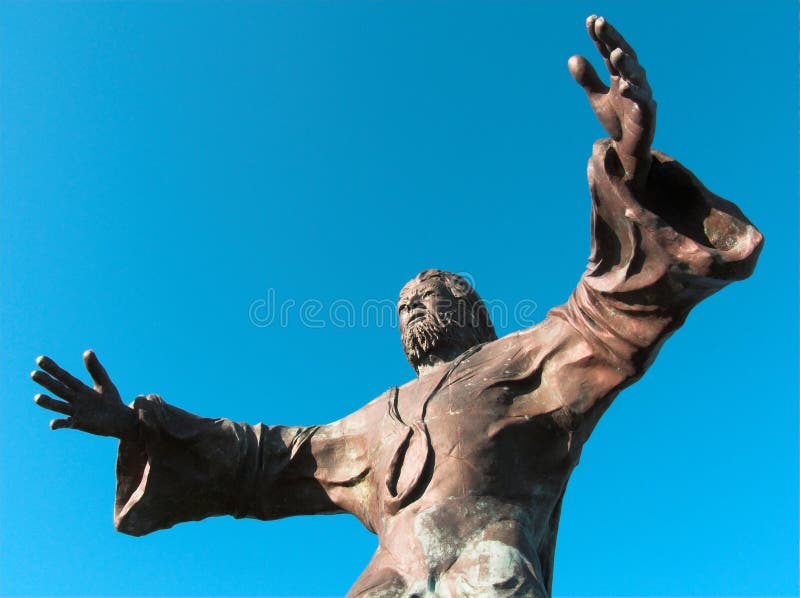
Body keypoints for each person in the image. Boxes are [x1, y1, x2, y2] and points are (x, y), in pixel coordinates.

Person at [31, 16, 762, 598]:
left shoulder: (529, 357)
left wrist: (630, 166)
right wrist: (138, 424)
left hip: (490, 571)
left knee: (492, 577)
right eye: (405, 303)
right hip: (393, 581)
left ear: (477, 312)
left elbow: (610, 310)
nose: (415, 307)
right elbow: (263, 459)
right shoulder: (373, 422)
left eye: (434, 295)